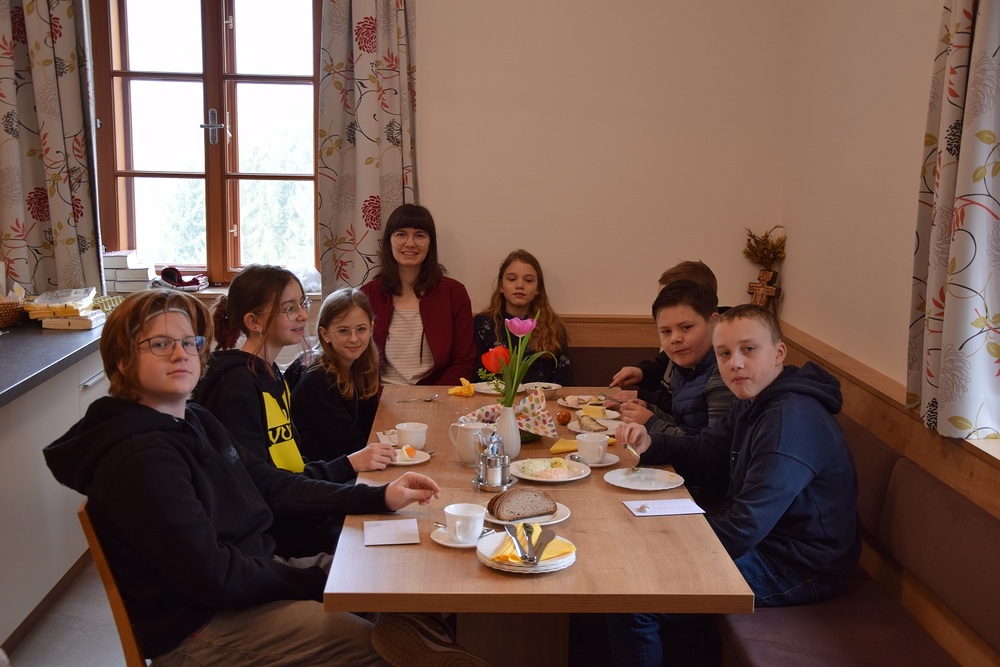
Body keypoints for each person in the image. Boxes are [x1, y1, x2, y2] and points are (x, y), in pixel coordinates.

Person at [41, 289, 447, 666]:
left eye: (189, 342)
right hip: (202, 626)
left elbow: (271, 484)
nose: (180, 354)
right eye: (160, 345)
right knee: (384, 650)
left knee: (404, 585)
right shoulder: (141, 459)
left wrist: (377, 497)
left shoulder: (195, 419)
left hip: (253, 575)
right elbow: (215, 576)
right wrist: (312, 581)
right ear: (122, 360)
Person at [607, 304, 861, 666]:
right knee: (633, 544)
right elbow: (705, 452)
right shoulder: (755, 398)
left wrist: (665, 554)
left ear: (779, 353)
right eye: (724, 353)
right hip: (765, 540)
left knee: (633, 600)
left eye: (749, 349)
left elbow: (745, 526)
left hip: (799, 565)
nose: (735, 363)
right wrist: (652, 443)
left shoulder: (791, 419)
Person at [194, 265, 393, 557]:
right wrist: (353, 478)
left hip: (296, 506)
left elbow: (294, 467)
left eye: (302, 303)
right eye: (289, 308)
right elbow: (261, 489)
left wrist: (347, 470)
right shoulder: (235, 389)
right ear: (254, 321)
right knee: (381, 540)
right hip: (273, 533)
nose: (302, 315)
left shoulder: (270, 374)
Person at [361, 204, 477, 386]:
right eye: (401, 234)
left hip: (436, 396)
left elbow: (464, 361)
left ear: (430, 244)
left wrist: (430, 397)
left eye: (420, 235)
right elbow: (358, 360)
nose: (410, 243)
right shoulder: (368, 295)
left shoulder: (454, 293)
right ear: (388, 242)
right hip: (380, 396)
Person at [615, 280, 734, 437]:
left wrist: (651, 422)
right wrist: (651, 411)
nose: (675, 339)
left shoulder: (723, 375)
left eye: (686, 327)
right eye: (666, 331)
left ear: (714, 322)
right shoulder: (685, 365)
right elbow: (683, 426)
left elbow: (710, 447)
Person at [291, 287, 384, 462]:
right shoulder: (317, 378)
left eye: (361, 329)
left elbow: (370, 424)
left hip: (345, 459)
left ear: (371, 328)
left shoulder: (362, 365)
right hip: (321, 468)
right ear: (325, 334)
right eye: (343, 331)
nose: (354, 339)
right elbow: (351, 445)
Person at [609, 260, 719, 404]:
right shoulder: (680, 349)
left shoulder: (717, 367)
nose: (675, 338)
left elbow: (683, 407)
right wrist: (642, 373)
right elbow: (663, 368)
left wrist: (646, 399)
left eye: (686, 327)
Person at [473, 249, 571, 384]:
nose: (520, 285)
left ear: (538, 289)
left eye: (528, 280)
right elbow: (477, 376)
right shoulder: (483, 324)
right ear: (501, 286)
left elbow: (563, 380)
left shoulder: (553, 326)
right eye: (512, 279)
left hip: (542, 396)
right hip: (496, 395)